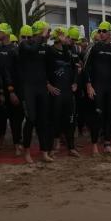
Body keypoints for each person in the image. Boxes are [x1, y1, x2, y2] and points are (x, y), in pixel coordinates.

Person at [83, 21, 111, 155]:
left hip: (110, 87)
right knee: (97, 116)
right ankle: (94, 145)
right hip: (97, 86)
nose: (101, 33)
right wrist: (88, 85)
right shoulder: (93, 47)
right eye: (99, 31)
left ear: (110, 32)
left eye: (104, 31)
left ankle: (107, 144)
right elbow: (86, 68)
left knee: (110, 115)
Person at [19, 21, 53, 163]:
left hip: (41, 88)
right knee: (31, 119)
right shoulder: (24, 44)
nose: (49, 34)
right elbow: (32, 50)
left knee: (43, 121)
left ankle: (44, 152)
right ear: (40, 32)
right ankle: (26, 152)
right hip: (28, 88)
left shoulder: (45, 47)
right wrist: (42, 36)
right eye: (47, 31)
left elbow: (49, 66)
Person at [0, 23, 23, 155]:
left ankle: (17, 144)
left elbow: (17, 73)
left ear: (6, 33)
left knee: (16, 118)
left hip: (13, 88)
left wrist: (13, 91)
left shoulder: (15, 50)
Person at [46, 27, 80, 157]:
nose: (67, 39)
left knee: (70, 120)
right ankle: (55, 146)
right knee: (55, 119)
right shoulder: (50, 51)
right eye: (65, 37)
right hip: (56, 91)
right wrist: (48, 84)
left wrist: (75, 82)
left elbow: (75, 69)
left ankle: (71, 147)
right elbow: (43, 69)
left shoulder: (69, 52)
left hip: (68, 91)